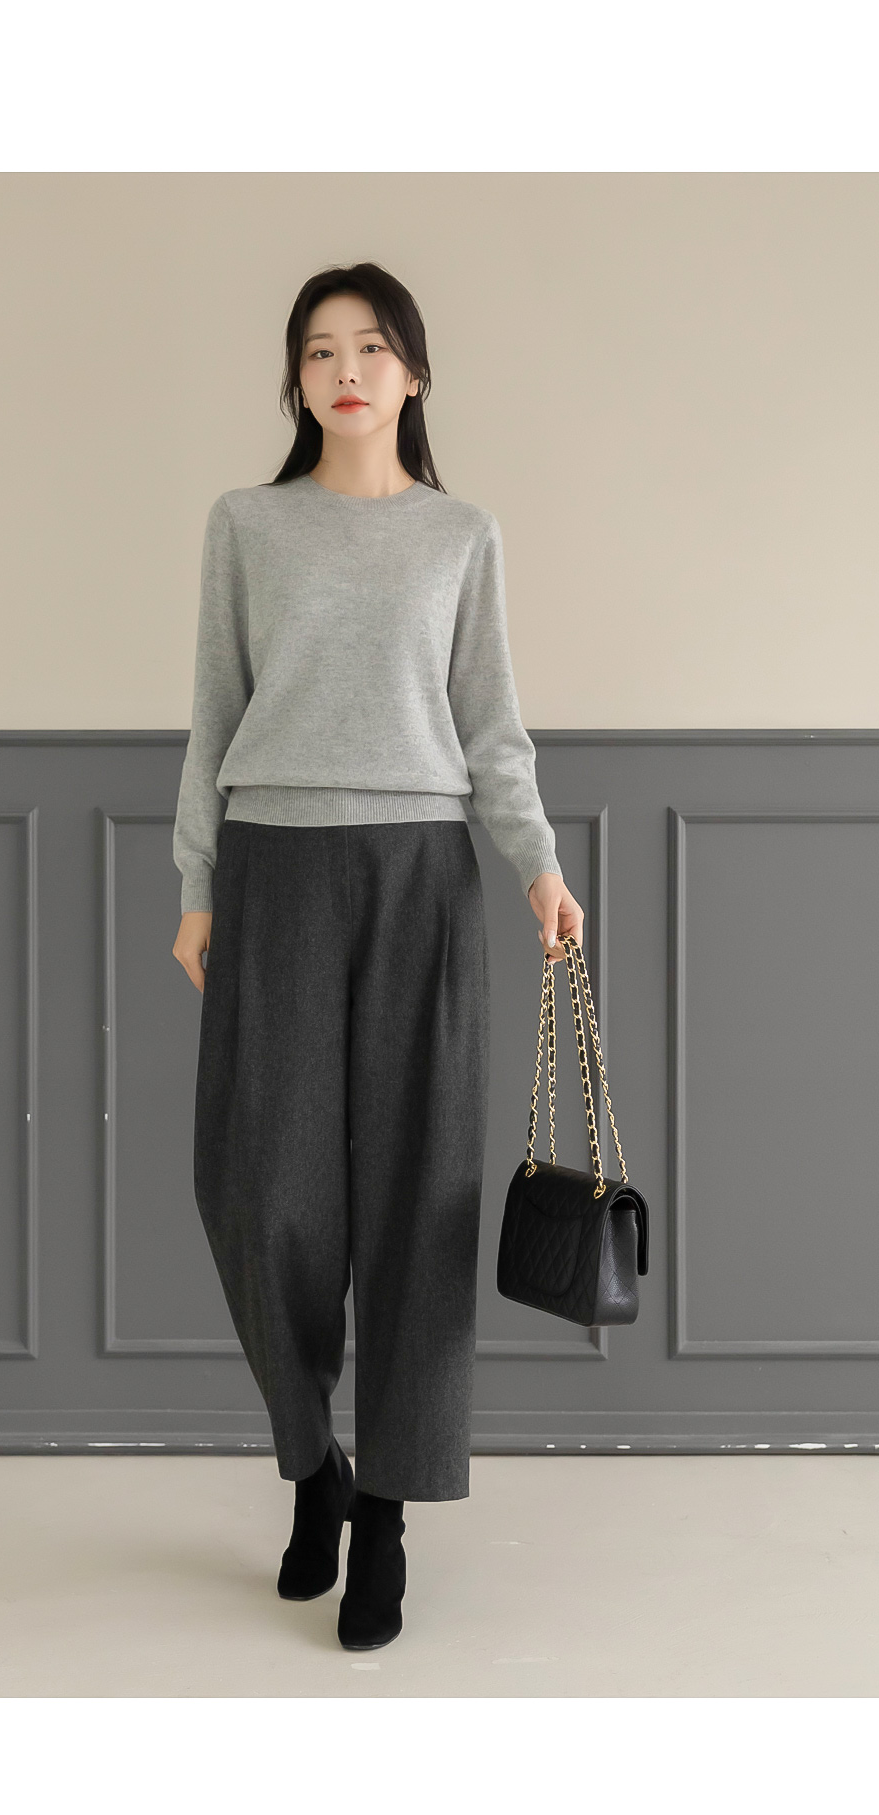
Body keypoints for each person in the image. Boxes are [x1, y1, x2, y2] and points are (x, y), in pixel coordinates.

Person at [172, 260, 585, 1651]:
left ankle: (387, 1517)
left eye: (369, 348)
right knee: (260, 1190)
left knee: (418, 1197)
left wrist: (538, 865)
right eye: (318, 351)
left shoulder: (461, 536)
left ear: (412, 373)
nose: (344, 371)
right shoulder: (247, 525)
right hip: (273, 868)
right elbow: (213, 712)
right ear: (296, 381)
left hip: (421, 875)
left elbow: (491, 726)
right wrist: (197, 883)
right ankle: (314, 1469)